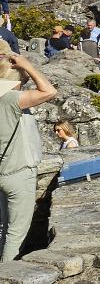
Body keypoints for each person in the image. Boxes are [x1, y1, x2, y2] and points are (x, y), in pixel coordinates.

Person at [0, 52, 57, 261]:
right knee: (16, 234)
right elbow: (49, 91)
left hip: (4, 170)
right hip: (18, 172)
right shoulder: (10, 99)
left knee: (4, 227)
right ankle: (7, 275)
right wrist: (28, 66)